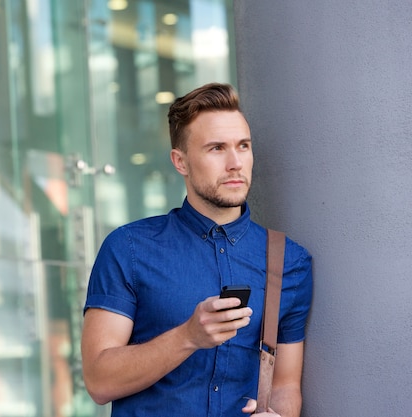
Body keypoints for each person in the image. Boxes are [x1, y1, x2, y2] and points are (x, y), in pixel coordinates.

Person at [81, 83, 313, 417]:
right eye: (216, 148)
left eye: (243, 146)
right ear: (181, 161)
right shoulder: (128, 249)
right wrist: (188, 336)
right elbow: (99, 381)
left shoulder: (288, 261)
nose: (235, 163)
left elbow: (285, 386)